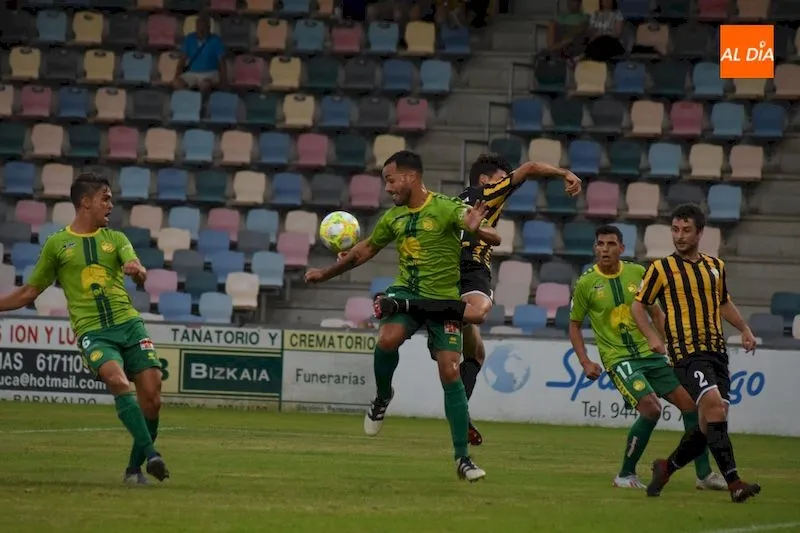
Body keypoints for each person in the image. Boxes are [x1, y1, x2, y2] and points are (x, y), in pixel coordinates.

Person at [305, 150, 501, 482]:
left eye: (391, 180)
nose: (387, 189)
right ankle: (383, 396)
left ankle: (462, 459)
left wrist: (478, 231)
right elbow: (364, 250)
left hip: (442, 300)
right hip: (407, 293)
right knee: (388, 338)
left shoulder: (446, 207)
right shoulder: (393, 219)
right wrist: (325, 273)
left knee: (451, 370)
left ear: (410, 178)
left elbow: (494, 237)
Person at [374, 154, 581, 445]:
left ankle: (462, 413)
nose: (504, 185)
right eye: (500, 178)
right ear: (485, 180)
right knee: (478, 311)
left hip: (440, 272)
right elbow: (531, 168)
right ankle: (413, 308)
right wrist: (565, 173)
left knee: (476, 353)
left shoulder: (449, 202)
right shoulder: (485, 194)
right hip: (468, 269)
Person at [0, 173, 169, 485]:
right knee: (118, 380)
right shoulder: (56, 244)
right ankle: (151, 455)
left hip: (128, 323)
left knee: (153, 396)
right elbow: (28, 293)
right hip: (93, 331)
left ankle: (133, 470)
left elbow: (138, 269)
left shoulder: (117, 239)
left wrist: (138, 272)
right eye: (105, 198)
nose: (111, 204)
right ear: (85, 202)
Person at [569, 225, 726, 490]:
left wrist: (674, 347)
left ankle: (704, 475)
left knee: (691, 404)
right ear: (595, 248)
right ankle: (625, 475)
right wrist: (585, 361)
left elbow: (656, 313)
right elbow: (574, 325)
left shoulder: (638, 273)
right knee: (651, 409)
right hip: (619, 359)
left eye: (610, 244)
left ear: (622, 248)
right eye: (600, 244)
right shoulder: (586, 282)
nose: (604, 249)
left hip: (649, 354)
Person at [631, 204, 761, 503]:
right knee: (714, 408)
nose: (679, 236)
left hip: (716, 351)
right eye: (675, 229)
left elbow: (723, 302)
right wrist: (652, 335)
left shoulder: (715, 266)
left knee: (709, 424)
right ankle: (734, 482)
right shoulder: (661, 269)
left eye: (686, 230)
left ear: (700, 232)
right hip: (686, 353)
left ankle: (667, 467)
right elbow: (639, 305)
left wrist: (744, 329)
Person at [173, 12, 226, 92]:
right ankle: (189, 101)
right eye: (198, 27)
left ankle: (203, 103)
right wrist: (177, 75)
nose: (201, 30)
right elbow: (182, 60)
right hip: (192, 73)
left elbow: (222, 63)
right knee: (177, 83)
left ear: (209, 27)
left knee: (204, 85)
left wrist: (224, 81)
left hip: (210, 73)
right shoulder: (189, 39)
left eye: (203, 27)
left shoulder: (215, 40)